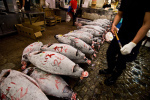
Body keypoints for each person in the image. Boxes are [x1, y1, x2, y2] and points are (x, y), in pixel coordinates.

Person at [99, 0, 150, 86]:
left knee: (122, 60)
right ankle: (110, 69)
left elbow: (147, 24)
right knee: (110, 53)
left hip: (135, 37)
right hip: (122, 33)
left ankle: (114, 77)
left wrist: (132, 44)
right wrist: (114, 24)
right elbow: (119, 14)